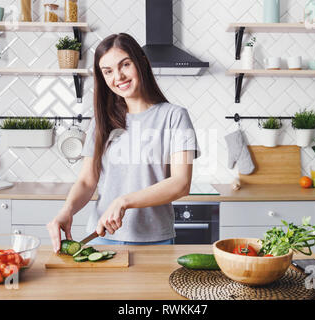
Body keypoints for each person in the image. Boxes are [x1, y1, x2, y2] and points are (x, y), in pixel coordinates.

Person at [47, 33, 200, 252]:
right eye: (107, 71)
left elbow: (181, 183)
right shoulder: (101, 121)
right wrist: (67, 210)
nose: (118, 76)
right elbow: (87, 181)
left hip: (156, 240)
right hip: (102, 237)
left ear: (142, 62)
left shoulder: (175, 116)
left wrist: (123, 201)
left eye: (125, 65)